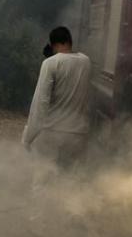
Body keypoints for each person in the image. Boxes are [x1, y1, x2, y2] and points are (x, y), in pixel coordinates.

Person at [22, 26, 92, 168]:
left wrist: (28, 136)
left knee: (44, 178)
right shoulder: (86, 61)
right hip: (78, 133)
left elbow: (41, 103)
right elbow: (70, 69)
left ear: (54, 44)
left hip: (53, 132)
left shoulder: (50, 64)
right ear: (69, 41)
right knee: (70, 179)